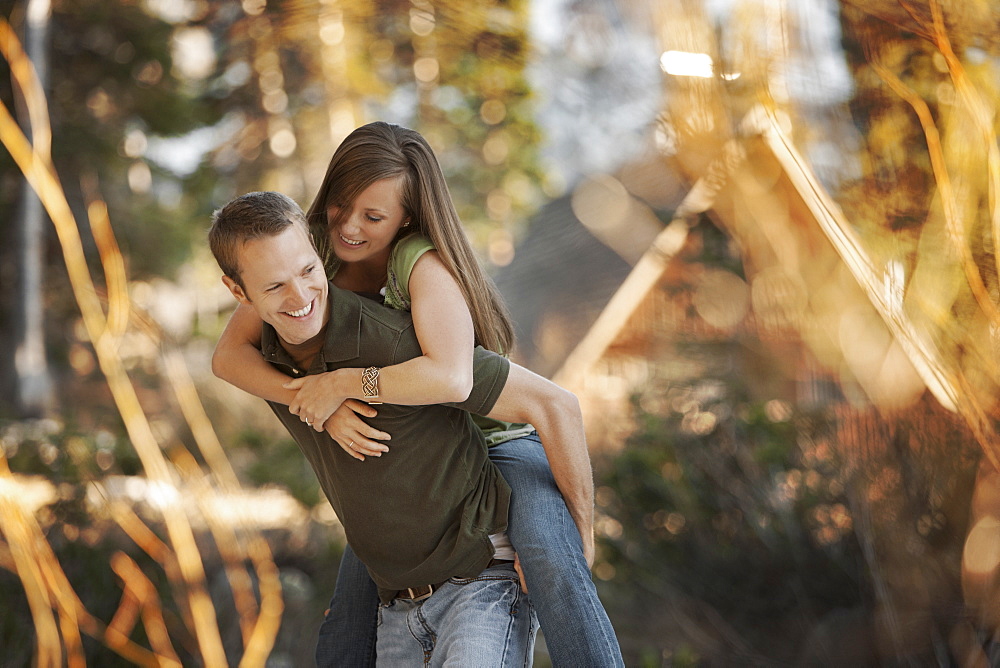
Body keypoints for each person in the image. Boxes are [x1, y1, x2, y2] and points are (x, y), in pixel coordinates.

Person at [212, 122, 624, 667]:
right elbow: (227, 358)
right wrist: (311, 400)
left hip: (492, 436)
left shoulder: (420, 268)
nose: (350, 227)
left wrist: (342, 384)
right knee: (345, 634)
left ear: (405, 216)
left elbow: (454, 379)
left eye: (374, 216)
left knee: (554, 556)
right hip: (415, 465)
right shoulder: (296, 256)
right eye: (341, 206)